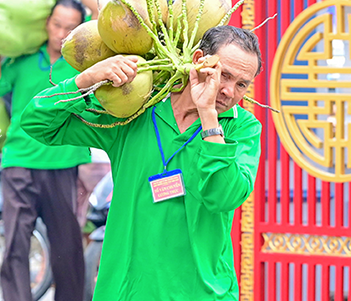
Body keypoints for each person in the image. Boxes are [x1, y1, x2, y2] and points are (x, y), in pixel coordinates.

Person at [21, 25, 263, 301]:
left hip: (201, 291)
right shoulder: (136, 108)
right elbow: (37, 123)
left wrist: (209, 116)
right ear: (198, 61)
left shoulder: (242, 128)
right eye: (225, 75)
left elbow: (223, 196)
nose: (230, 91)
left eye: (242, 84)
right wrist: (87, 80)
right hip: (126, 289)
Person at [0, 0, 98, 301]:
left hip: (64, 160)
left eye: (69, 27)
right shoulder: (22, 59)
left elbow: (101, 11)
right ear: (45, 22)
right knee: (16, 243)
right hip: (19, 159)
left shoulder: (81, 60)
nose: (61, 32)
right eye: (56, 24)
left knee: (67, 247)